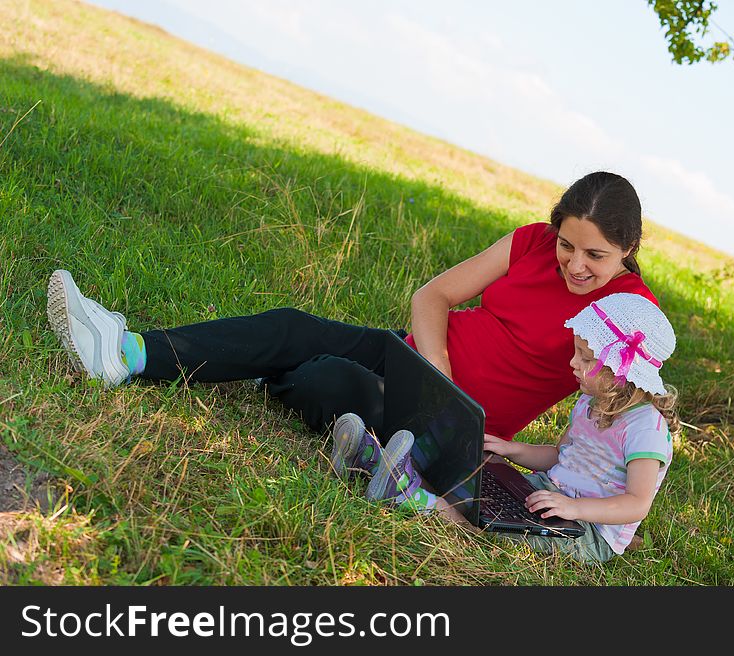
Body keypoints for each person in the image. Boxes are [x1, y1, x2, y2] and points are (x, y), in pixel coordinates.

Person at [46, 171, 658, 445]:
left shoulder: (632, 312)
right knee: (294, 326)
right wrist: (437, 369)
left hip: (454, 424)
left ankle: (266, 368)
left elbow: (619, 406)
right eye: (567, 245)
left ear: (628, 251)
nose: (575, 265)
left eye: (595, 256)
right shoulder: (528, 241)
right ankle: (127, 351)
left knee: (326, 378)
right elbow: (433, 296)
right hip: (417, 358)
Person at [333, 292, 680, 560]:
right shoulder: (589, 402)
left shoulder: (644, 427)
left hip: (589, 532)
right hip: (550, 494)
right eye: (577, 353)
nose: (573, 363)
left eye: (586, 359)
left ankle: (406, 496)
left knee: (481, 524)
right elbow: (561, 455)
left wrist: (572, 509)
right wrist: (512, 449)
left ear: (621, 373)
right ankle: (376, 461)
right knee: (473, 483)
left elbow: (637, 503)